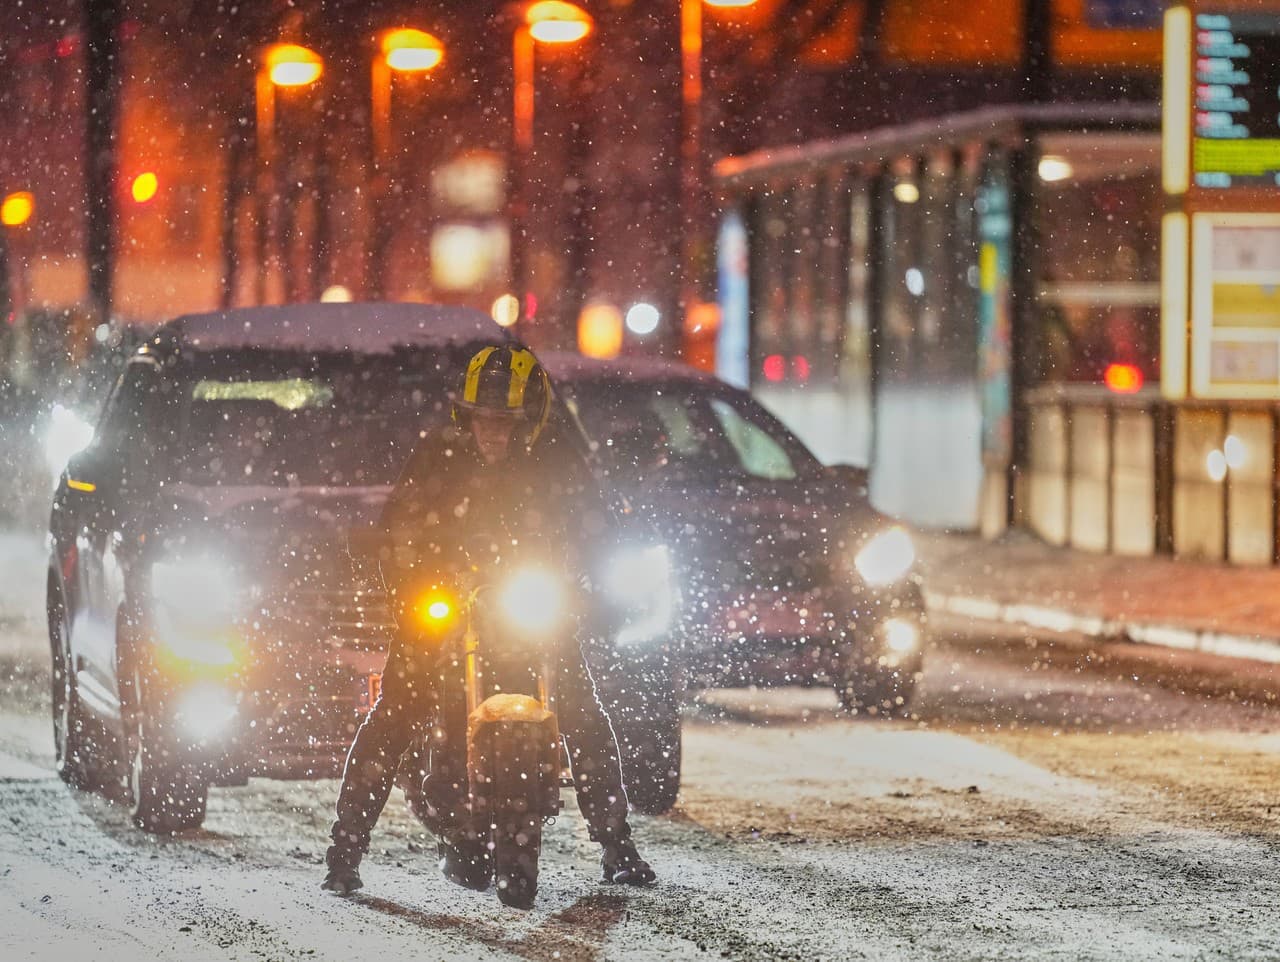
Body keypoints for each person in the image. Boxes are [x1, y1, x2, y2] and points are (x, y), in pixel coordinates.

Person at [322, 344, 656, 896]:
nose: (493, 434)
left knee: (580, 709)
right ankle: (345, 850)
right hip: (447, 612)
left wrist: (588, 584)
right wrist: (406, 576)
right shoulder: (437, 458)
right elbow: (395, 529)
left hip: (528, 608)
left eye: (506, 424)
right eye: (483, 421)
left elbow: (595, 534)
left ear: (532, 424)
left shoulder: (559, 464)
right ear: (466, 418)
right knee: (396, 711)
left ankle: (617, 844)